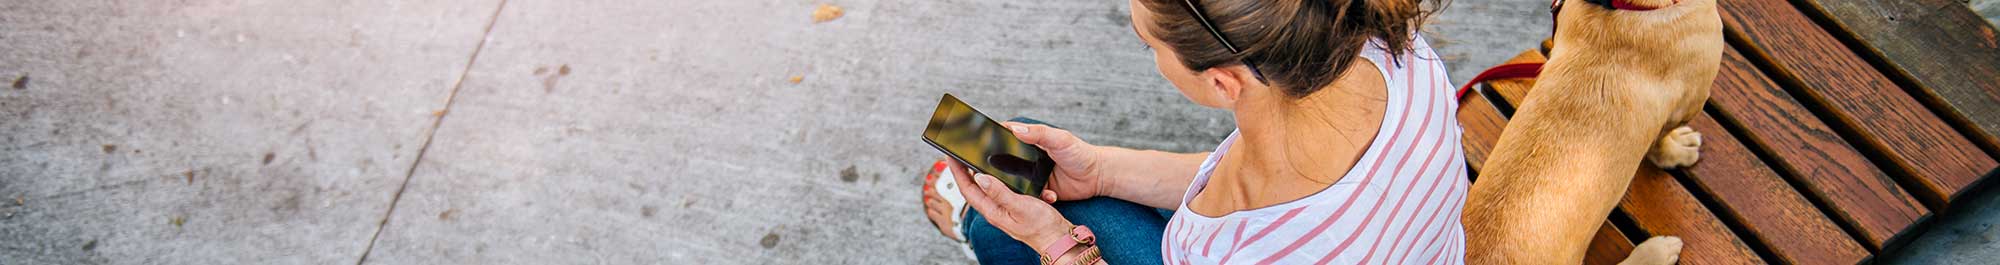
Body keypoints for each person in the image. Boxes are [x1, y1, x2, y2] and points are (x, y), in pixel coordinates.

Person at [921, 0, 1462, 263]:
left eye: (1150, 46)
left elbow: (1242, 223)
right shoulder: (1393, 53)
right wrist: (1102, 169)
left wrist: (1052, 242)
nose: (1153, 57)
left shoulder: (1244, 251)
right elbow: (1230, 184)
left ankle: (976, 234)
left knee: (1003, 228)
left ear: (1225, 82)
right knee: (1062, 173)